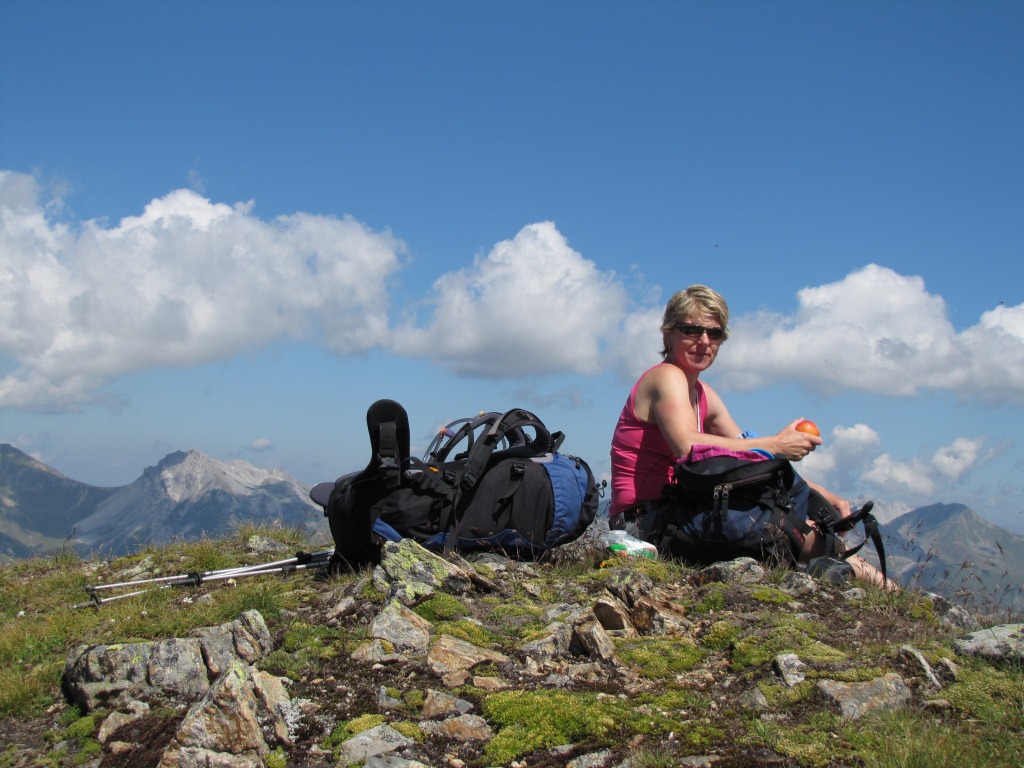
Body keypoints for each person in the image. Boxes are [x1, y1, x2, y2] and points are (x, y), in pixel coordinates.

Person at [609, 285, 892, 588]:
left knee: (805, 532)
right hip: (644, 524)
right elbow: (687, 445)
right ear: (668, 333)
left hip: (676, 514)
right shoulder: (666, 376)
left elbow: (748, 462)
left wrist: (819, 495)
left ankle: (870, 584)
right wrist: (775, 445)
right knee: (811, 539)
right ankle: (872, 586)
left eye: (714, 333)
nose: (703, 341)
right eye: (691, 330)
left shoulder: (703, 394)